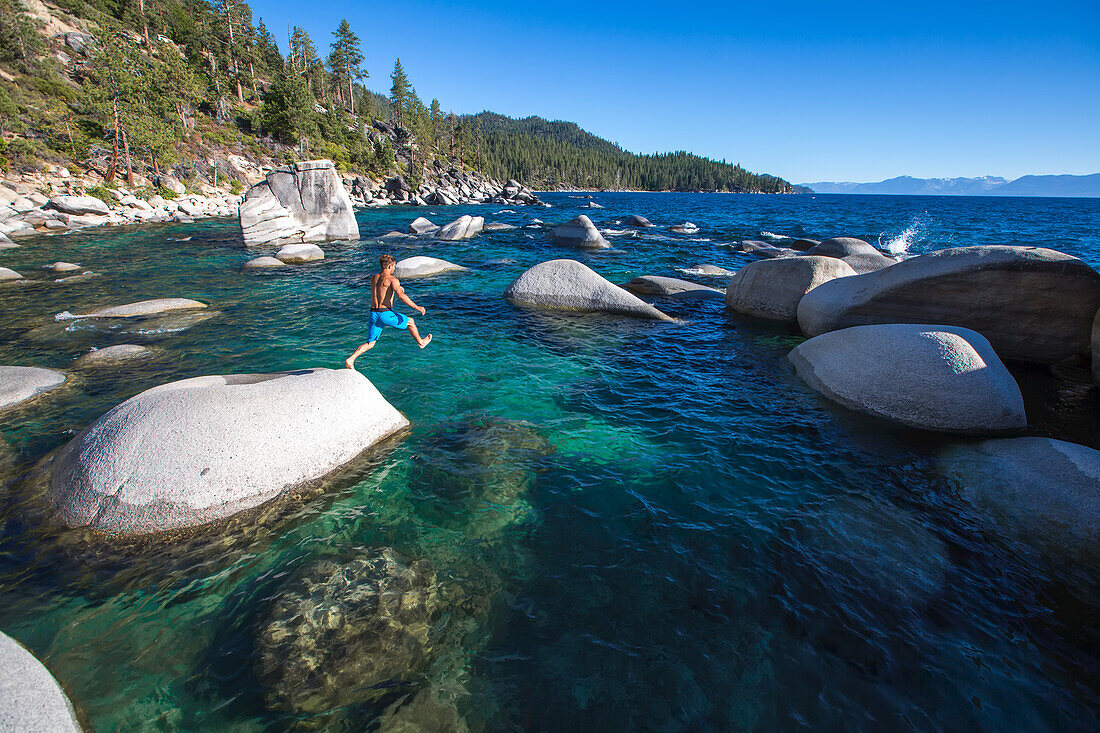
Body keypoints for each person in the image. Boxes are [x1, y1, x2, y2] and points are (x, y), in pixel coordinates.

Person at [345, 254, 432, 369]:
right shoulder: (392, 280)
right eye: (394, 266)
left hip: (373, 313)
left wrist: (397, 289)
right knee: (410, 321)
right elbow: (401, 296)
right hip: (384, 313)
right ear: (390, 266)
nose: (394, 269)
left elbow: (382, 291)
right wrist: (417, 307)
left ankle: (351, 359)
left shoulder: (374, 278)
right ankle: (421, 342)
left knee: (370, 343)